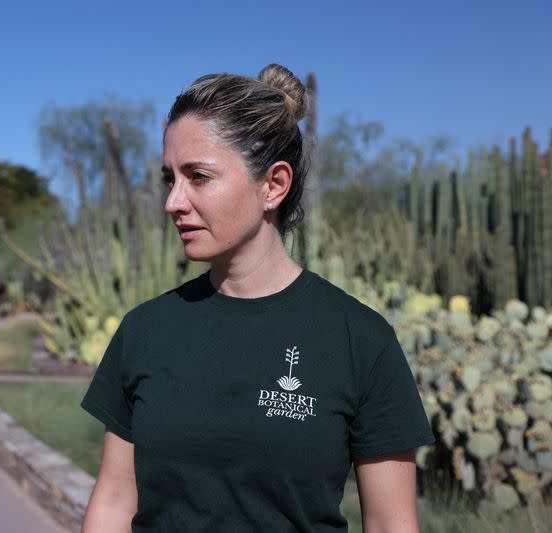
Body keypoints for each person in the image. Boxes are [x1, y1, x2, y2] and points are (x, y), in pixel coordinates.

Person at [80, 64, 435, 532]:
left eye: (198, 177)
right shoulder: (145, 331)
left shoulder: (360, 340)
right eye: (171, 178)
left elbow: (392, 524)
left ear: (273, 185)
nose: (173, 202)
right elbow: (113, 500)